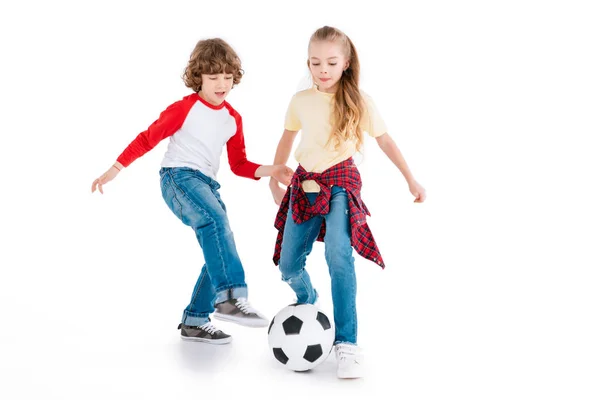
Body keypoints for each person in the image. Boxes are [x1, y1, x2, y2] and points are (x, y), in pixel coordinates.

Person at [91, 38, 293, 345]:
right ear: (198, 77)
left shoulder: (233, 119)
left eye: (227, 77)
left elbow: (239, 164)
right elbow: (147, 138)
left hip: (208, 185)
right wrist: (115, 168)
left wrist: (272, 170)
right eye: (213, 78)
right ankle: (229, 298)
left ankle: (195, 321)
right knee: (215, 225)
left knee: (218, 248)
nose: (221, 84)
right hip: (178, 178)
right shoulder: (184, 109)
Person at [269, 26, 426, 378]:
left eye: (330, 62)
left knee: (338, 253)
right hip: (305, 183)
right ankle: (308, 300)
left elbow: (385, 141)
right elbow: (286, 138)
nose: (322, 69)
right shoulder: (300, 101)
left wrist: (410, 179)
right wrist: (273, 182)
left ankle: (347, 344)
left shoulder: (359, 101)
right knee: (289, 265)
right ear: (307, 64)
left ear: (346, 62)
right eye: (314, 62)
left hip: (340, 180)